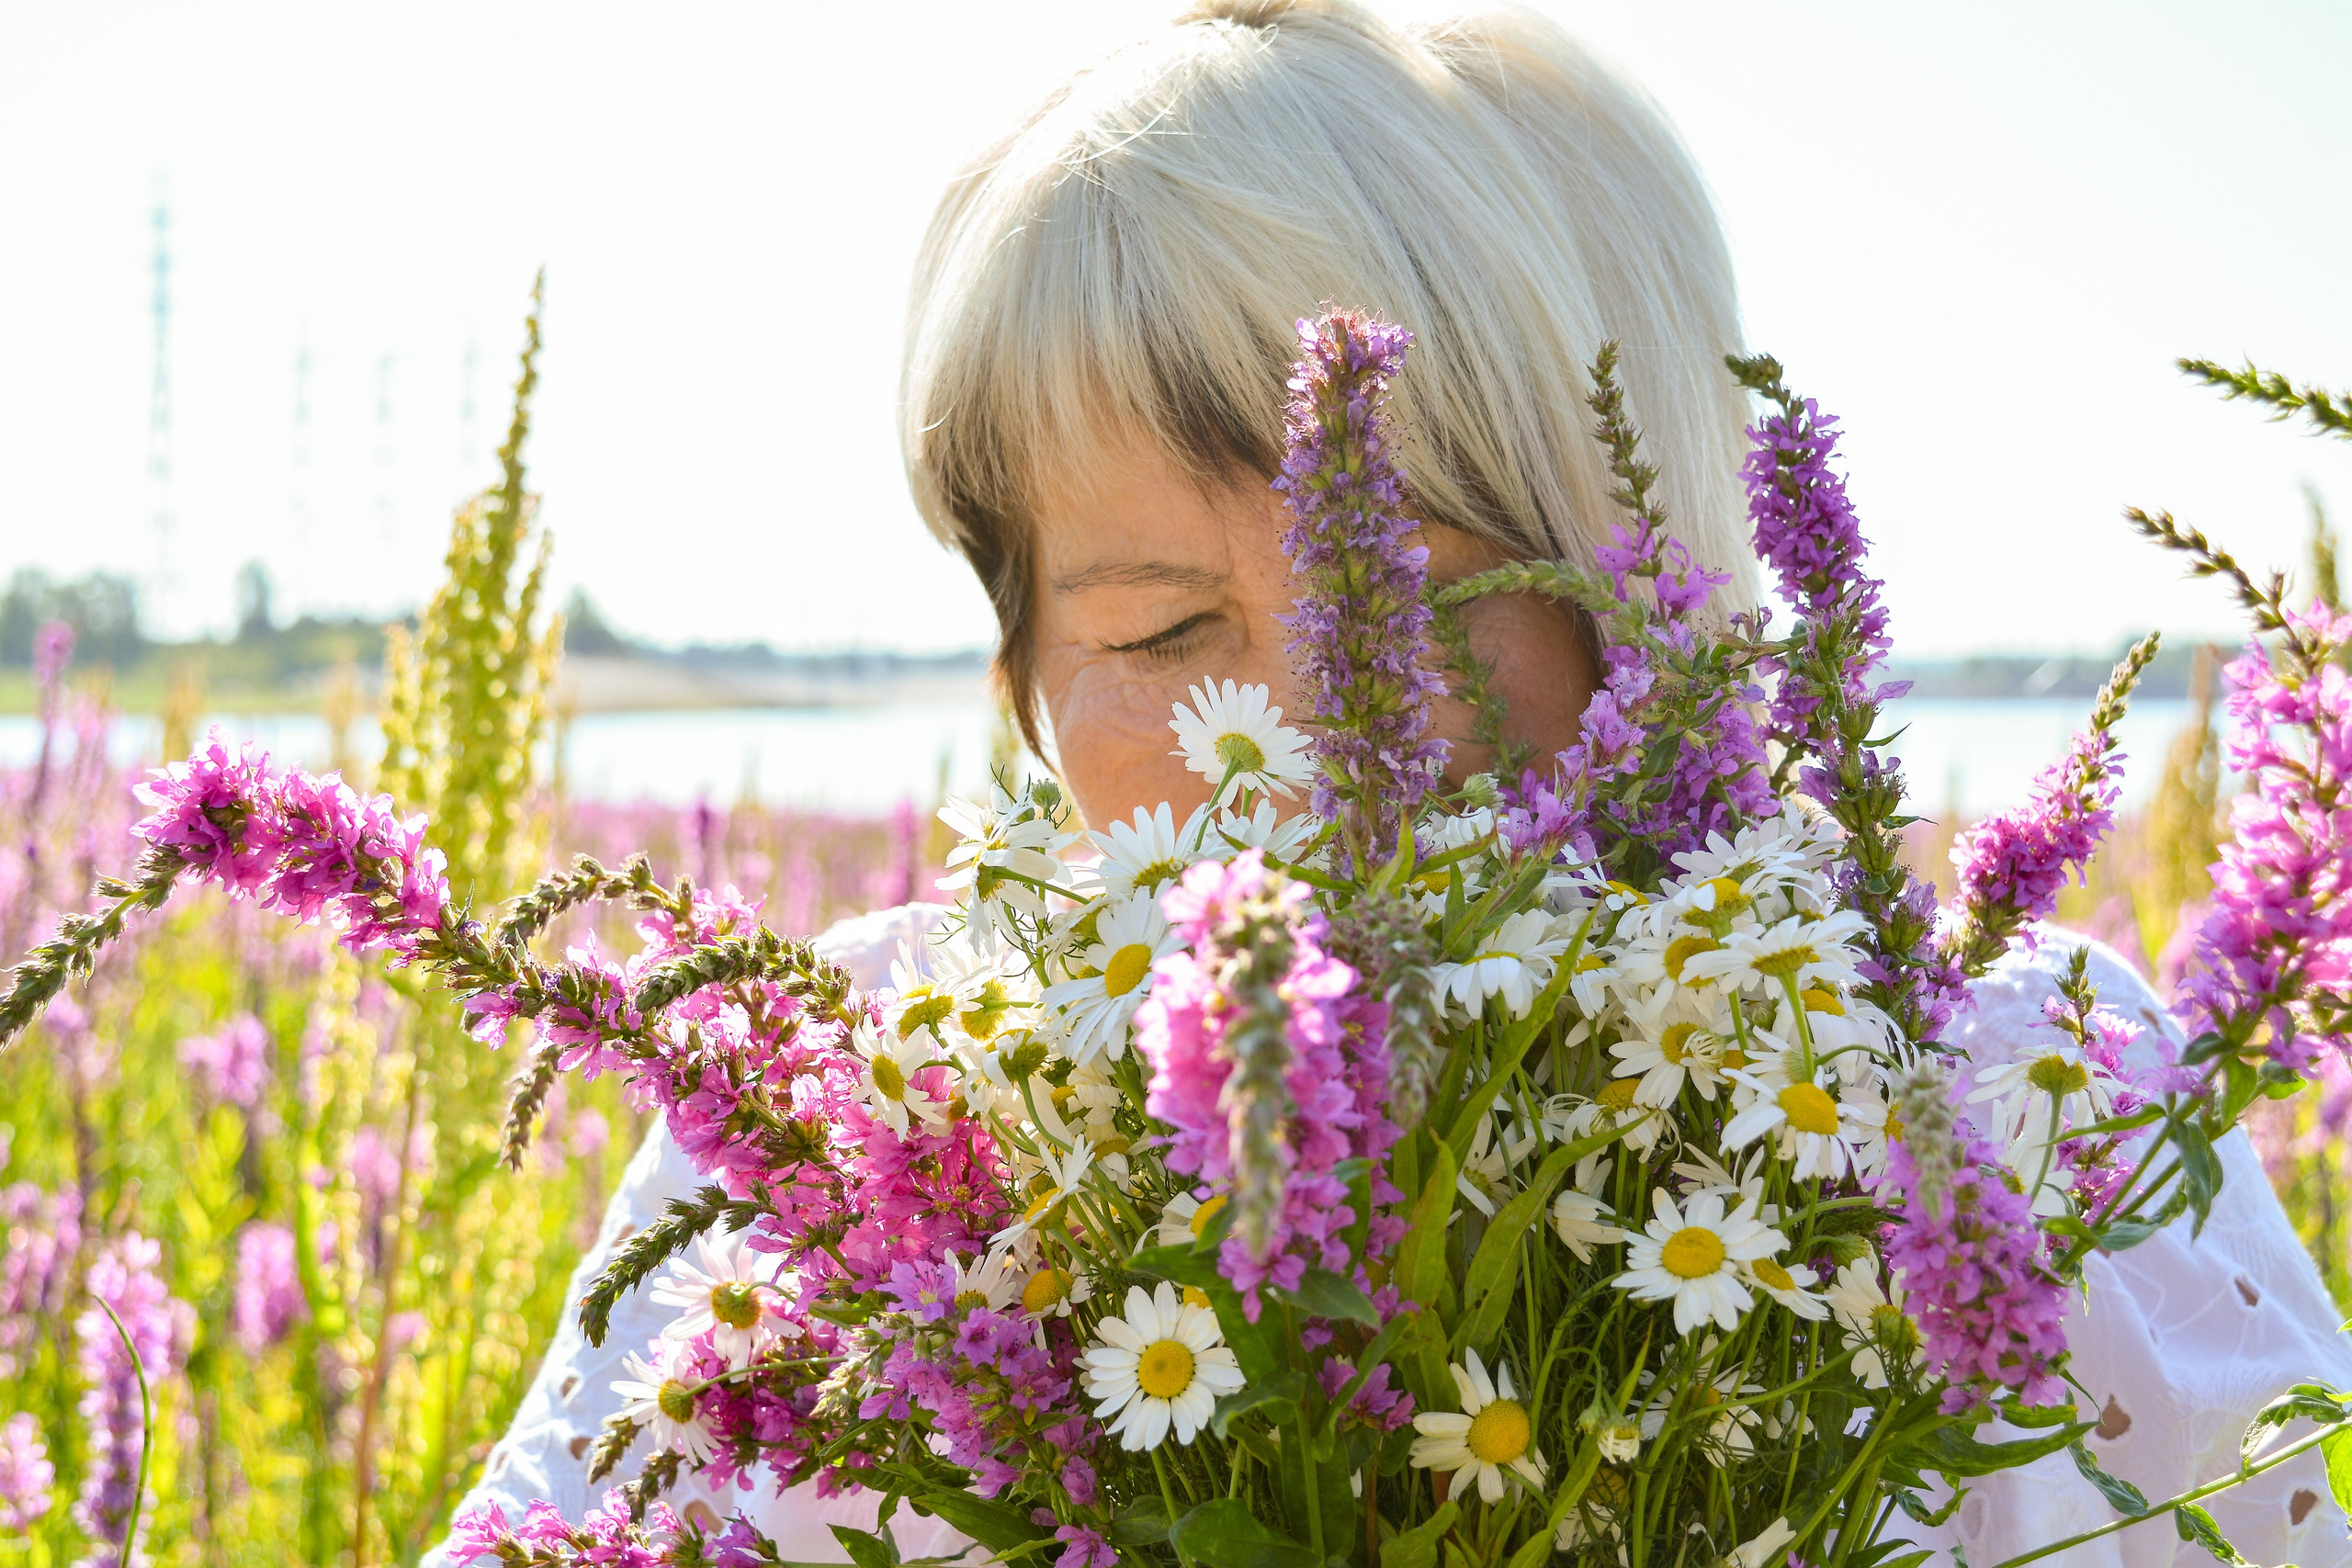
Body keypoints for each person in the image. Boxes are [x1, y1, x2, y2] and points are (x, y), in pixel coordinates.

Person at [433, 4, 2352, 1562]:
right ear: (1015, 670)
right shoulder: (848, 1122)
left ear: (1647, 588)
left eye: (1413, 601)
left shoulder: (2017, 1111)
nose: (1309, 733)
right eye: (1166, 631)